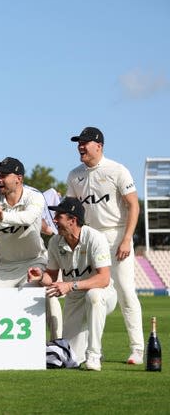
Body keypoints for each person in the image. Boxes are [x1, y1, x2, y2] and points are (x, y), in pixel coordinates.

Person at [66, 126, 144, 364]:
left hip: (116, 235)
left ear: (98, 146)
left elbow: (133, 205)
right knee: (92, 294)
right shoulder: (74, 174)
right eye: (78, 143)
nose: (80, 146)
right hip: (89, 238)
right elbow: (72, 208)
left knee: (125, 290)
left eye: (85, 143)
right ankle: (91, 350)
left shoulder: (117, 170)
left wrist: (127, 238)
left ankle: (138, 349)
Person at [0, 157, 62, 338]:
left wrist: (2, 216)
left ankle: (58, 343)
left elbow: (28, 218)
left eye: (4, 175)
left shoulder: (34, 196)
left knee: (47, 294)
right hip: (4, 266)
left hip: (34, 261)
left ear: (19, 178)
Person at [28, 197, 117, 371]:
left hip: (104, 293)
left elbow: (104, 279)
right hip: (75, 299)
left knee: (94, 295)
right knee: (71, 357)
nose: (54, 220)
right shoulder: (55, 242)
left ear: (72, 220)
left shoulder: (95, 238)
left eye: (58, 216)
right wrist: (40, 277)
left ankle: (94, 355)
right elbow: (51, 278)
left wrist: (70, 286)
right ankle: (87, 350)